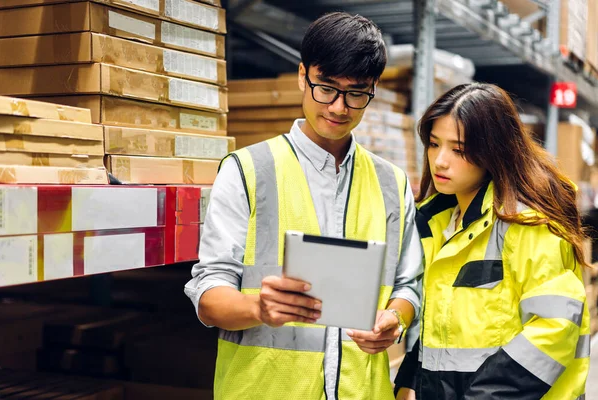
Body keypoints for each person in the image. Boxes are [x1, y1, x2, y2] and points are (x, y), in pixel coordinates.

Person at [184, 12, 423, 400]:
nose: (339, 108)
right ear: (302, 75)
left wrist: (393, 319)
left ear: (373, 88)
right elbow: (209, 295)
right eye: (326, 87)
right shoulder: (247, 171)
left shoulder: (392, 185)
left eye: (356, 93)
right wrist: (258, 308)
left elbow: (408, 285)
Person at [394, 83, 590, 400]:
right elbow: (443, 330)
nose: (440, 161)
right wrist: (410, 380)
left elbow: (554, 328)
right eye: (433, 144)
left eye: (458, 150)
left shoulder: (527, 225)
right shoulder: (436, 224)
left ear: (493, 150)